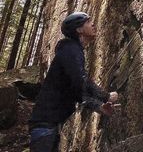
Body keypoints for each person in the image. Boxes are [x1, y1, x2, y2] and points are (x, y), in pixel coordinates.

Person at [28, 12, 119, 152]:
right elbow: (80, 80)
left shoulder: (71, 50)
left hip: (50, 126)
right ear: (79, 30)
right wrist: (105, 96)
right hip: (44, 126)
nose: (93, 24)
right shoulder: (70, 49)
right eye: (88, 22)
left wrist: (99, 107)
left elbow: (76, 92)